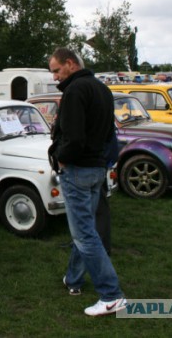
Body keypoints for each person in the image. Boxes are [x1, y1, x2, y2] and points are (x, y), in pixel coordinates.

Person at [48, 47, 126, 316]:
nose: (55, 76)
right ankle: (74, 278)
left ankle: (111, 294)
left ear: (70, 64)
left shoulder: (74, 91)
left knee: (84, 234)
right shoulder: (101, 89)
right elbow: (108, 133)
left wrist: (60, 157)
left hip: (78, 170)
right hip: (96, 168)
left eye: (57, 70)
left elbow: (74, 138)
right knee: (85, 230)